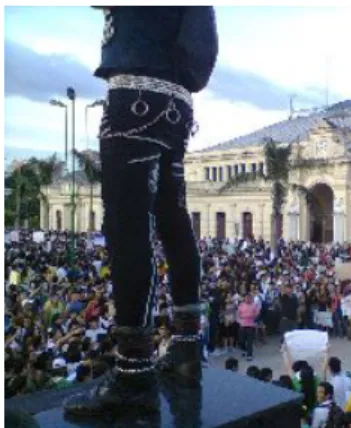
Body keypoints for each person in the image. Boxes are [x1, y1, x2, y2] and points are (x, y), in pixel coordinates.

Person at [63, 6, 218, 418]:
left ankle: (134, 372)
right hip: (176, 104)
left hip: (134, 96)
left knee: (127, 228)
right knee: (173, 219)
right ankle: (186, 352)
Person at [238, 293, 260, 361]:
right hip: (242, 325)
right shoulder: (241, 305)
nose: (248, 299)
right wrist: (240, 320)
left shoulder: (254, 305)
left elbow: (257, 313)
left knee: (249, 341)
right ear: (244, 298)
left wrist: (253, 317)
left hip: (250, 325)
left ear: (251, 298)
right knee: (241, 340)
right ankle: (244, 350)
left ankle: (249, 354)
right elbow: (238, 314)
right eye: (246, 298)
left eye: (249, 298)